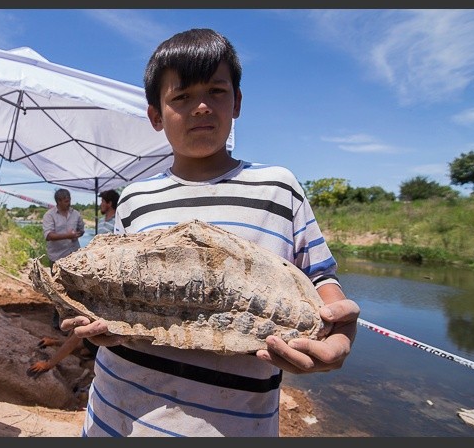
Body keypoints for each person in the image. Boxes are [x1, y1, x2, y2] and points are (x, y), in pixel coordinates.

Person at [61, 28, 360, 437]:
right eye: (181, 97)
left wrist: (339, 334)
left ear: (236, 102)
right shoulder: (135, 198)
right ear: (155, 115)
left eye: (216, 92)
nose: (201, 107)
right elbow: (116, 291)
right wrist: (98, 325)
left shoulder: (278, 188)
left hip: (234, 425)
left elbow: (322, 281)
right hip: (118, 418)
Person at [42, 188, 85, 328]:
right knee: (58, 290)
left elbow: (81, 230)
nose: (69, 203)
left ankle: (74, 320)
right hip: (57, 258)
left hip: (74, 257)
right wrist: (68, 235)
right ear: (59, 201)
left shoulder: (76, 214)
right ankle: (57, 320)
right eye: (66, 201)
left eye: (69, 200)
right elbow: (48, 235)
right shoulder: (50, 215)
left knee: (75, 289)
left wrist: (78, 233)